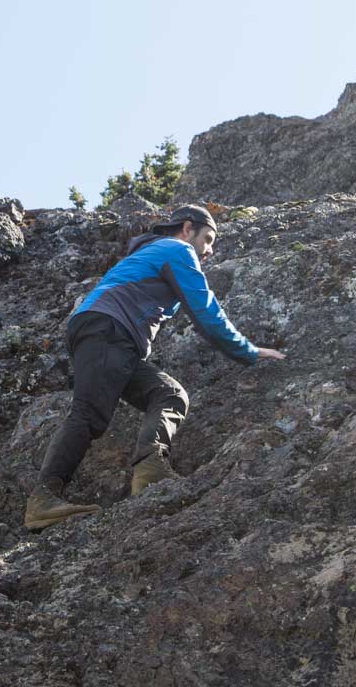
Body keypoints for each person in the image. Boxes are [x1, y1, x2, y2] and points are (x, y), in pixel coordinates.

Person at [24, 205, 286, 530]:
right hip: (108, 329)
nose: (210, 249)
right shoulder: (177, 249)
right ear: (188, 228)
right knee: (88, 413)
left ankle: (150, 473)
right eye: (208, 238)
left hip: (107, 333)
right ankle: (43, 499)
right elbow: (206, 312)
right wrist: (249, 351)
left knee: (169, 394)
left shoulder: (151, 252)